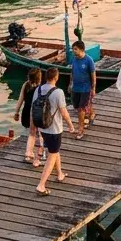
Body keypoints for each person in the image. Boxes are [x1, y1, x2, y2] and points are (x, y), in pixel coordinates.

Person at [33, 68, 75, 196]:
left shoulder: (38, 89)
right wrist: (71, 125)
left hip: (42, 126)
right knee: (52, 154)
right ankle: (41, 185)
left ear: (46, 77)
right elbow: (64, 112)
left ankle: (60, 174)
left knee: (54, 150)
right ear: (56, 78)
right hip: (54, 129)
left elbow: (33, 107)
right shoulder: (58, 92)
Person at [14, 69, 45, 166]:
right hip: (36, 111)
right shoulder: (41, 88)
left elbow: (20, 99)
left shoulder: (25, 85)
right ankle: (41, 154)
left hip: (27, 110)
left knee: (31, 133)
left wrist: (16, 112)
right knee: (40, 133)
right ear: (39, 78)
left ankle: (28, 153)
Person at [68, 41, 96, 138]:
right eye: (73, 49)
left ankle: (81, 129)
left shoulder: (89, 60)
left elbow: (93, 75)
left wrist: (93, 88)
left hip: (85, 88)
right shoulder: (74, 59)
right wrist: (70, 83)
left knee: (81, 109)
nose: (73, 51)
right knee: (76, 107)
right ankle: (92, 113)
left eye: (75, 49)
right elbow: (72, 72)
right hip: (76, 88)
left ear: (82, 49)